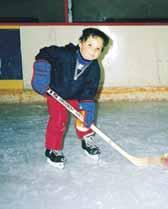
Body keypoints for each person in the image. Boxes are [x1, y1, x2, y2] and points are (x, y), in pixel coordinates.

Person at [31, 28, 110, 168]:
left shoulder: (95, 69)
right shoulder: (65, 54)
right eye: (90, 45)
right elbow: (45, 53)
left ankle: (87, 139)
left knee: (84, 116)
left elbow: (89, 91)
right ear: (81, 43)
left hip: (76, 95)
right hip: (56, 93)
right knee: (59, 120)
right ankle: (53, 149)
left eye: (98, 48)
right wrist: (41, 70)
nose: (93, 51)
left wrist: (87, 106)